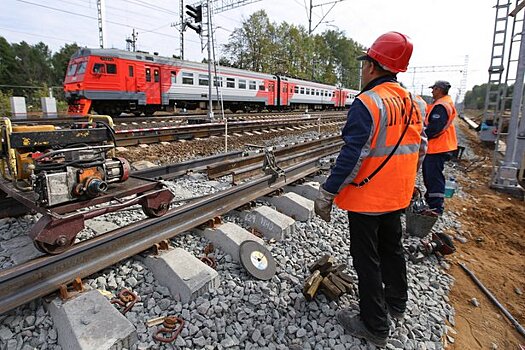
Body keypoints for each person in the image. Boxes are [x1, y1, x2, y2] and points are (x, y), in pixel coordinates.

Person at [314, 31, 427, 348]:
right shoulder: (415, 102)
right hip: (398, 196)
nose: (362, 69)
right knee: (392, 250)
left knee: (367, 259)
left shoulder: (368, 103)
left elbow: (353, 155)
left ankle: (374, 325)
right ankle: (395, 304)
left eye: (365, 63)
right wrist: (407, 181)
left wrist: (328, 193)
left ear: (374, 66)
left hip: (368, 199)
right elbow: (422, 147)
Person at [423, 80, 458, 214]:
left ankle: (436, 206)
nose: (432, 91)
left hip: (438, 147)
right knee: (431, 175)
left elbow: (435, 128)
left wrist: (422, 135)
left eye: (434, 89)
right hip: (440, 146)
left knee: (433, 176)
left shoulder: (441, 105)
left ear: (439, 89)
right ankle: (431, 200)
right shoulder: (444, 103)